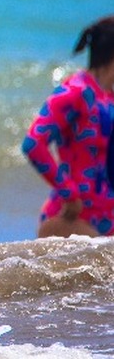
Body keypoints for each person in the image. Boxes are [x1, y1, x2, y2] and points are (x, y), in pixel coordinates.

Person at [22, 16, 114, 238]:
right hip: (73, 221)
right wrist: (69, 193)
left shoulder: (108, 96)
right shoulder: (74, 92)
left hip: (106, 217)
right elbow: (33, 143)